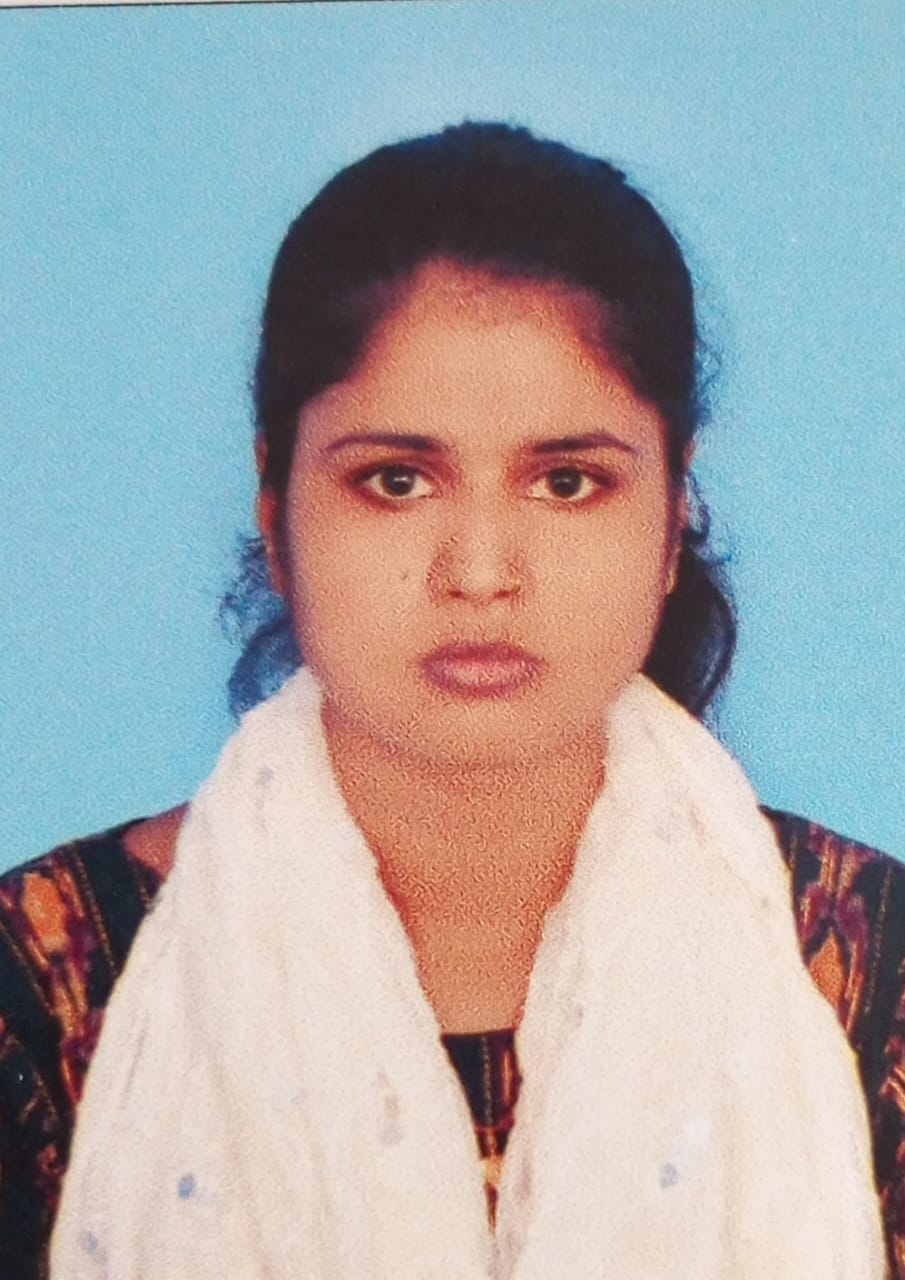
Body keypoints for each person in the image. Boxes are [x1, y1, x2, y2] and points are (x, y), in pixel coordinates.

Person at [0, 121, 901, 1278]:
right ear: (275, 512)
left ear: (672, 518)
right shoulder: (42, 988)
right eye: (395, 480)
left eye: (565, 481)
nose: (478, 570)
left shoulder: (864, 971)